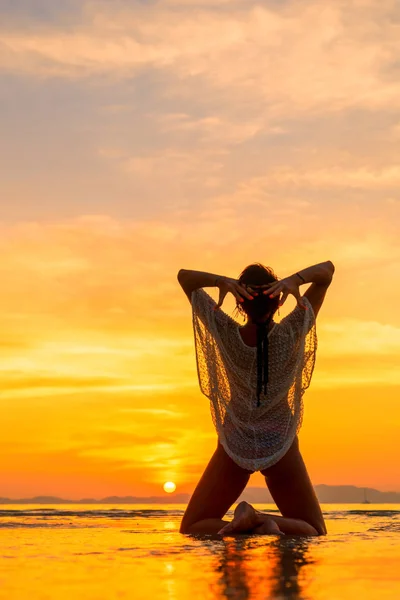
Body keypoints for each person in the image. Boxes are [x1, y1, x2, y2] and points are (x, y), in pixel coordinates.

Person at [177, 260, 335, 536]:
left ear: (240, 303)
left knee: (194, 527)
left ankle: (247, 523)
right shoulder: (291, 330)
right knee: (314, 529)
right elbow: (326, 272)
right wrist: (294, 280)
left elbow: (184, 277)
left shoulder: (225, 331)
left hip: (237, 440)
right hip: (279, 440)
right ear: (278, 302)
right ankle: (260, 519)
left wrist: (222, 282)